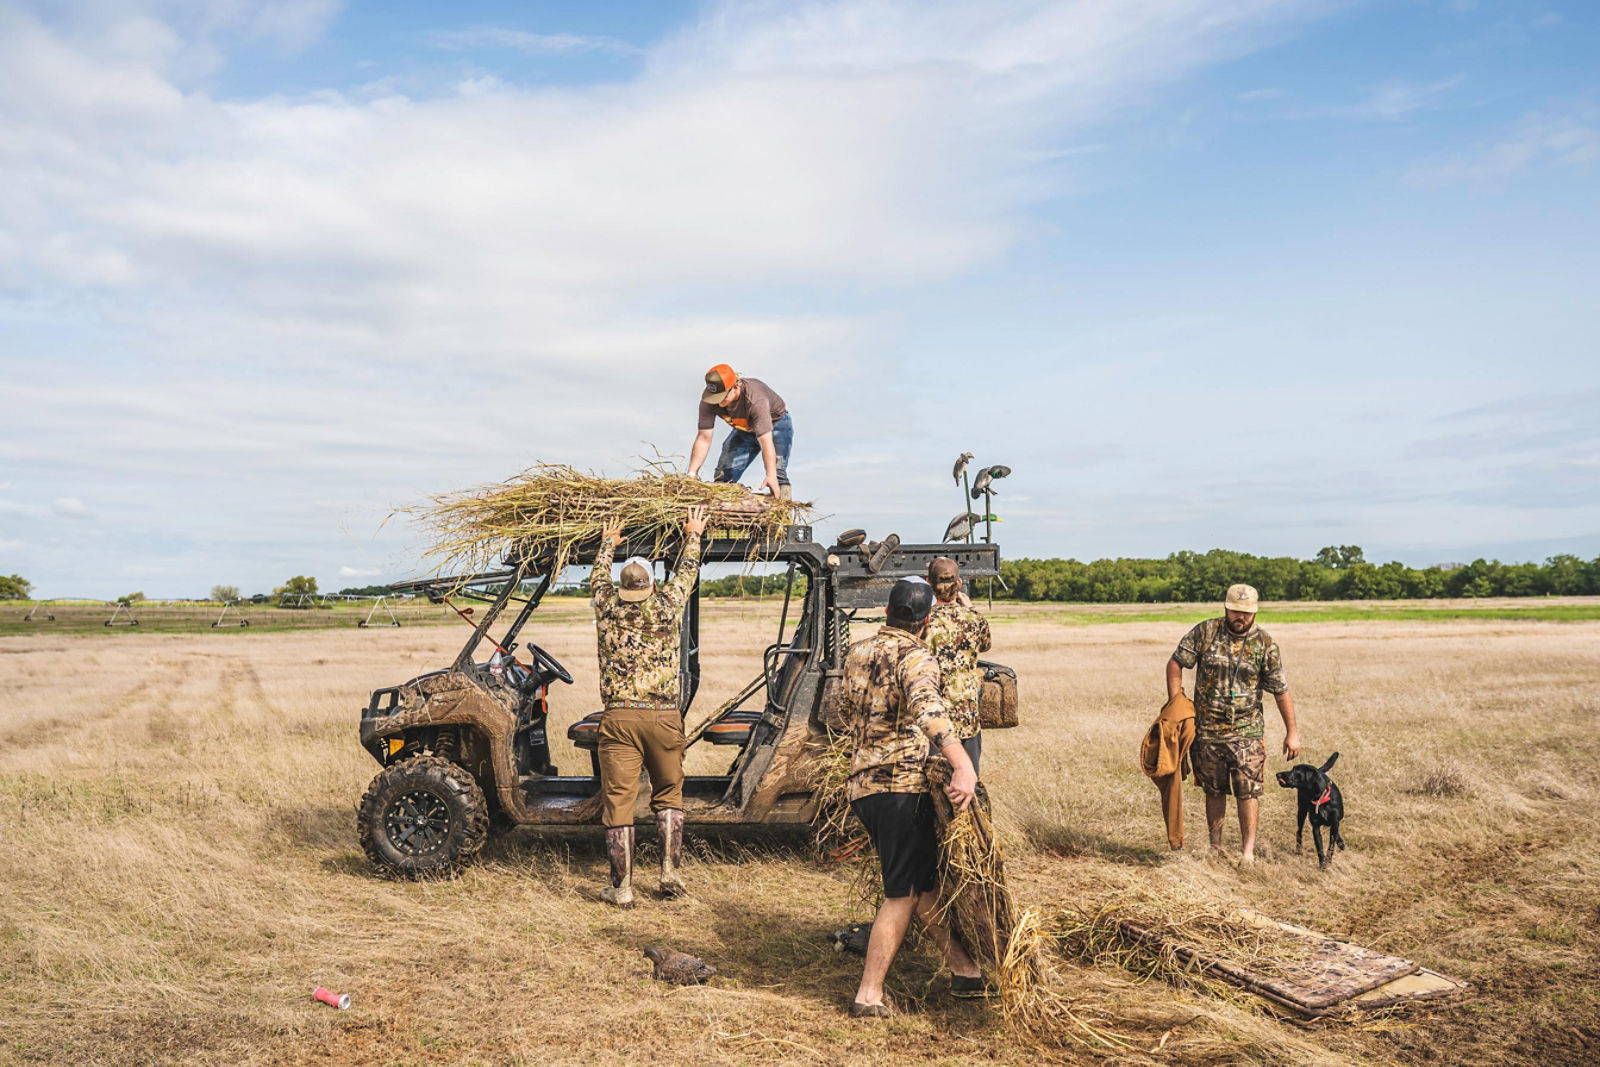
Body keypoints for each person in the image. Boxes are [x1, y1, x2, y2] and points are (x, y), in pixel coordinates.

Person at [841, 575, 989, 1017]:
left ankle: (965, 972)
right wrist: (963, 763)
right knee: (902, 892)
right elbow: (929, 710)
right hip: (899, 787)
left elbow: (844, 711)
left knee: (921, 885)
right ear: (925, 623)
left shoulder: (858, 651)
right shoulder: (917, 656)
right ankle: (868, 996)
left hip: (863, 786)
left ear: (887, 612)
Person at [591, 505, 708, 907]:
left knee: (619, 802)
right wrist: (692, 534)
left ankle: (621, 889)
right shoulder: (667, 605)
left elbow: (596, 577)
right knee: (669, 795)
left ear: (622, 586)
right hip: (663, 717)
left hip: (620, 718)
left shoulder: (606, 605)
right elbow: (687, 574)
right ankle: (669, 873)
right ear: (653, 585)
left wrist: (609, 541)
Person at [1165, 583, 1300, 864]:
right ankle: (1216, 850)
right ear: (1226, 608)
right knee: (1214, 791)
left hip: (1247, 731)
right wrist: (1176, 703)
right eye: (1236, 611)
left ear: (1255, 613)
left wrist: (1292, 732)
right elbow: (1176, 663)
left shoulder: (1265, 644)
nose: (1241, 617)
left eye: (1247, 613)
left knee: (1247, 791)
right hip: (1208, 731)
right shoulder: (1205, 632)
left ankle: (1247, 853)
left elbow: (1280, 689)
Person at [924, 557, 993, 775]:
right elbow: (986, 645)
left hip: (935, 721)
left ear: (928, 583)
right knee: (969, 783)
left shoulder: (924, 621)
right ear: (959, 584)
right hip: (968, 719)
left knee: (935, 785)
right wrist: (971, 610)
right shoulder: (974, 619)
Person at [687, 364, 793, 499]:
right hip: (745, 429)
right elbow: (703, 438)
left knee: (776, 475)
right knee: (724, 475)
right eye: (715, 397)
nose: (718, 402)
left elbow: (766, 442)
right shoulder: (709, 401)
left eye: (722, 397)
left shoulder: (755, 399)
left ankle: (783, 508)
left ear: (735, 387)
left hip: (776, 424)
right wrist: (691, 474)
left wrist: (770, 476)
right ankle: (722, 510)